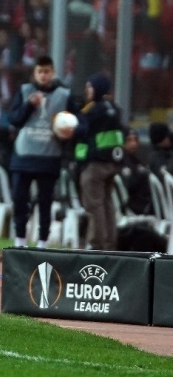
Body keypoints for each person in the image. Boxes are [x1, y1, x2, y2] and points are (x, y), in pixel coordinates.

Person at [8, 56, 77, 248]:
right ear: (35, 73)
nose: (43, 76)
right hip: (24, 155)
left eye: (47, 72)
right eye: (40, 72)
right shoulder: (24, 91)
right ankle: (20, 241)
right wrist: (29, 105)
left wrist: (71, 131)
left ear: (53, 73)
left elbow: (77, 122)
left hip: (49, 156)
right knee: (20, 199)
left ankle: (42, 243)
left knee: (45, 202)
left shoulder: (64, 95)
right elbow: (14, 119)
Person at [76, 74, 124, 250]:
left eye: (90, 87)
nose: (87, 90)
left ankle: (96, 244)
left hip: (95, 163)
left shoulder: (92, 110)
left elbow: (80, 129)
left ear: (98, 89)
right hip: (112, 162)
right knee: (107, 203)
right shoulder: (114, 108)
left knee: (93, 204)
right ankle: (110, 242)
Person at [119, 128, 152, 215]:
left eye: (136, 140)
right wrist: (141, 174)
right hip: (136, 207)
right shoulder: (121, 162)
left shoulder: (137, 161)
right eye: (129, 140)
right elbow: (128, 186)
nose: (133, 143)